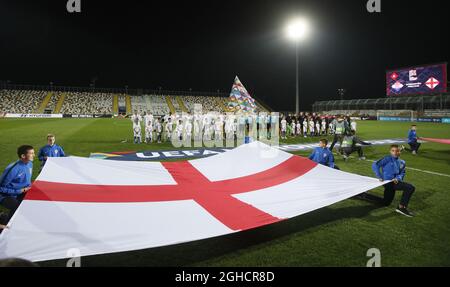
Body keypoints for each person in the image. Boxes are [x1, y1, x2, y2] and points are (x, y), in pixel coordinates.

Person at [372, 145, 415, 217]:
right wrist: (380, 176)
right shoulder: (387, 159)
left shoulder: (402, 162)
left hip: (395, 182)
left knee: (385, 203)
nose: (395, 152)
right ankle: (401, 208)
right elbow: (375, 165)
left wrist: (397, 178)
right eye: (393, 151)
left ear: (400, 152)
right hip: (387, 183)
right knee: (410, 187)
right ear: (390, 151)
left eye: (397, 151)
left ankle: (364, 195)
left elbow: (402, 173)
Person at [0, 145, 34, 225]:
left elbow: (26, 181)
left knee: (32, 200)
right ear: (23, 156)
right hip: (5, 195)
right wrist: (19, 191)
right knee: (17, 206)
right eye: (31, 153)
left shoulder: (30, 164)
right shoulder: (13, 169)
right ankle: (6, 225)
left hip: (21, 191)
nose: (34, 155)